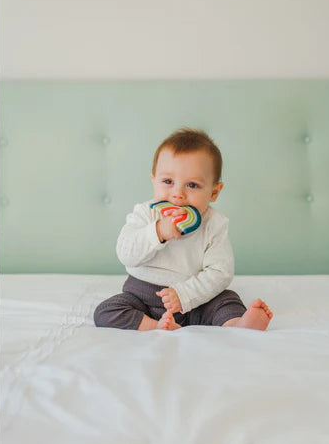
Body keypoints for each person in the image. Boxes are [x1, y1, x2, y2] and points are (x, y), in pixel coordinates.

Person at [93, 128, 273, 331]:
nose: (178, 194)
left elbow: (221, 272)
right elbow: (126, 253)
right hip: (141, 297)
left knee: (226, 299)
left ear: (214, 192)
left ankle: (238, 323)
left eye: (192, 185)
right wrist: (158, 232)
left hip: (195, 300)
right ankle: (155, 325)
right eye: (168, 182)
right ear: (154, 181)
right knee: (106, 311)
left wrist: (184, 295)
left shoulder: (214, 224)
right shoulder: (145, 214)